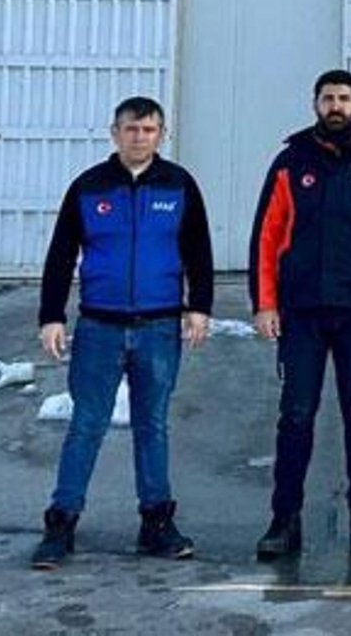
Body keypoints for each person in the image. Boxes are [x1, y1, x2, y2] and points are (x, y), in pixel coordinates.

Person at [31, 96, 214, 569]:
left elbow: (198, 250)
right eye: (131, 129)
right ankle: (61, 524)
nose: (139, 137)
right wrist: (52, 315)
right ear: (114, 133)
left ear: (162, 134)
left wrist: (199, 307)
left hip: (157, 327)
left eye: (149, 129)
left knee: (152, 425)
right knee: (86, 425)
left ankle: (156, 523)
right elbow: (60, 256)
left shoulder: (178, 186)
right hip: (100, 328)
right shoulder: (89, 188)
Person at [250, 69, 351, 559]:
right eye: (327, 98)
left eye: (344, 98)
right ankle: (284, 521)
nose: (336, 106)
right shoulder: (290, 161)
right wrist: (264, 304)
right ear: (315, 104)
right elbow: (266, 235)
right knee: (296, 416)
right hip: (301, 311)